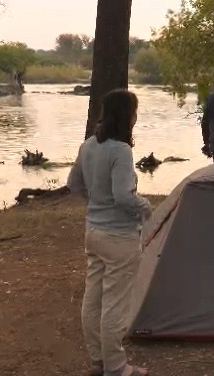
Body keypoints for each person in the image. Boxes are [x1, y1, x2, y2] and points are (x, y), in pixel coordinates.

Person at [68, 89, 152, 376]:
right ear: (126, 115)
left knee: (93, 299)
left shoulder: (88, 145)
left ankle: (98, 361)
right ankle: (116, 368)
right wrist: (145, 207)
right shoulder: (120, 150)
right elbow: (124, 197)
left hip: (93, 232)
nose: (135, 117)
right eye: (133, 112)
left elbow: (74, 184)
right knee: (114, 304)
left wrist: (96, 204)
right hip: (119, 238)